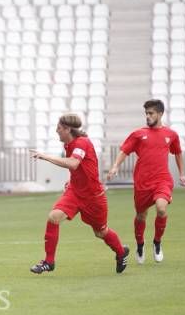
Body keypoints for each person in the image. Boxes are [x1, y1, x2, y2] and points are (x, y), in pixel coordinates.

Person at [29, 113, 130, 274]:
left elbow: (74, 163)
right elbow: (79, 169)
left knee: (100, 232)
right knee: (53, 217)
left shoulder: (82, 143)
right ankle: (49, 262)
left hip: (93, 197)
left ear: (68, 129)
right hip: (75, 192)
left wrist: (46, 156)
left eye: (59, 128)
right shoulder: (68, 145)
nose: (56, 131)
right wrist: (72, 181)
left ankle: (121, 252)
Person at [106, 99, 185, 264]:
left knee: (161, 208)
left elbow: (178, 153)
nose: (148, 116)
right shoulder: (138, 134)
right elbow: (124, 150)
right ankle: (140, 244)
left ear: (160, 114)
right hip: (142, 183)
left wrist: (181, 174)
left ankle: (157, 242)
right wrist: (115, 166)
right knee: (141, 216)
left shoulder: (171, 135)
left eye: (151, 113)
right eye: (146, 114)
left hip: (162, 180)